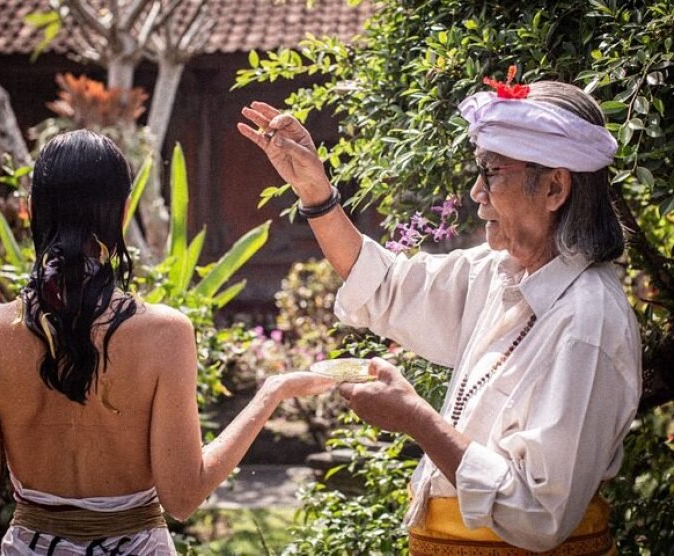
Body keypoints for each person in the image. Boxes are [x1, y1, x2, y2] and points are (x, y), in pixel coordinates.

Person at [238, 78, 641, 554]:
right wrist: (315, 191)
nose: (476, 192)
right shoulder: (500, 275)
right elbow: (385, 285)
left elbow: (537, 514)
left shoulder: (586, 322)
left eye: (492, 173)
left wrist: (418, 421)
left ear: (554, 187)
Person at [0, 129, 335, 555]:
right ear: (122, 214)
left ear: (29, 210)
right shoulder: (165, 334)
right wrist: (271, 391)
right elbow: (183, 497)